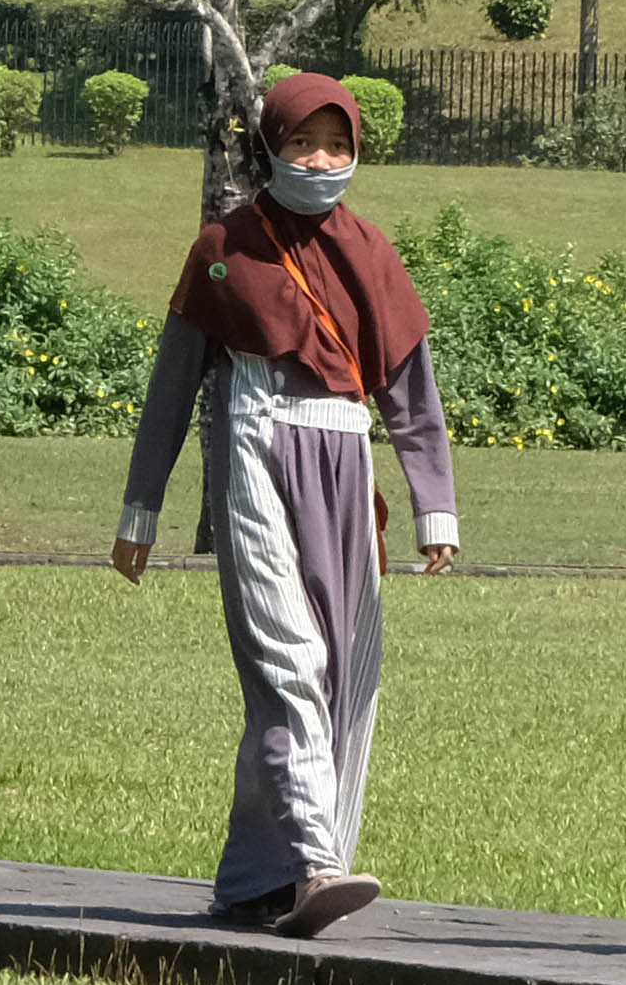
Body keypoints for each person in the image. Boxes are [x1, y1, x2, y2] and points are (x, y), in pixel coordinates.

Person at [112, 73, 459, 937]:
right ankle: (316, 861)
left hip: (344, 464)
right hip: (256, 453)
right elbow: (172, 387)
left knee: (347, 671)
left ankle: (257, 880)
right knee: (288, 661)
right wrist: (140, 513)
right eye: (303, 143)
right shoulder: (224, 247)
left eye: (337, 145)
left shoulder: (372, 251)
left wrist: (435, 509)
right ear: (269, 144)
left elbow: (410, 394)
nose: (321, 160)